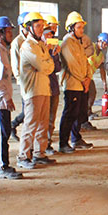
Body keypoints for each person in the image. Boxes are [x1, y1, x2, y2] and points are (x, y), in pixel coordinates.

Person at [0, 16, 23, 180]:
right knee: (0, 134)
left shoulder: (2, 51)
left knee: (4, 132)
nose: (10, 34)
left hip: (3, 99)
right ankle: (3, 167)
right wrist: (5, 97)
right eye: (8, 31)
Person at [17, 12, 56, 169]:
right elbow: (44, 66)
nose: (41, 29)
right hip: (33, 90)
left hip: (43, 88)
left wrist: (46, 63)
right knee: (31, 124)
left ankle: (39, 154)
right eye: (38, 26)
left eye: (42, 25)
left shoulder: (41, 45)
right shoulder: (27, 46)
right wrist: (46, 63)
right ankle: (23, 155)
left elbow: (50, 66)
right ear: (29, 27)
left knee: (43, 124)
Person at [58, 11, 94, 152]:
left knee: (78, 113)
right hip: (73, 84)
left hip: (81, 84)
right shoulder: (68, 43)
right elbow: (72, 65)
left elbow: (84, 62)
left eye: (82, 28)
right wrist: (83, 80)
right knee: (69, 114)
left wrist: (87, 78)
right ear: (71, 28)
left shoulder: (77, 42)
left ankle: (76, 138)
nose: (81, 30)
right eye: (79, 27)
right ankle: (63, 143)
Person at [10, 11, 30, 142]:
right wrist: (21, 80)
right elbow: (15, 64)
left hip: (33, 80)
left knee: (30, 109)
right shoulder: (17, 42)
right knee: (27, 110)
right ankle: (13, 124)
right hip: (25, 82)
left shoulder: (31, 39)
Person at [43, 26, 62, 155]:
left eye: (51, 36)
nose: (50, 38)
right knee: (42, 119)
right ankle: (41, 145)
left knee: (51, 118)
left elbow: (58, 68)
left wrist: (54, 55)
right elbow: (45, 68)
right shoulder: (38, 49)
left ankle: (47, 143)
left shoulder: (53, 51)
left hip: (53, 86)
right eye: (47, 35)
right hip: (43, 87)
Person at [86, 32, 108, 121]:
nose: (104, 46)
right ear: (99, 41)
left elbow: (102, 69)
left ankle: (88, 111)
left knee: (92, 93)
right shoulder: (90, 47)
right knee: (87, 95)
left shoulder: (100, 55)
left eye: (106, 44)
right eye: (104, 43)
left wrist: (104, 83)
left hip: (90, 76)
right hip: (82, 75)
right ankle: (85, 113)